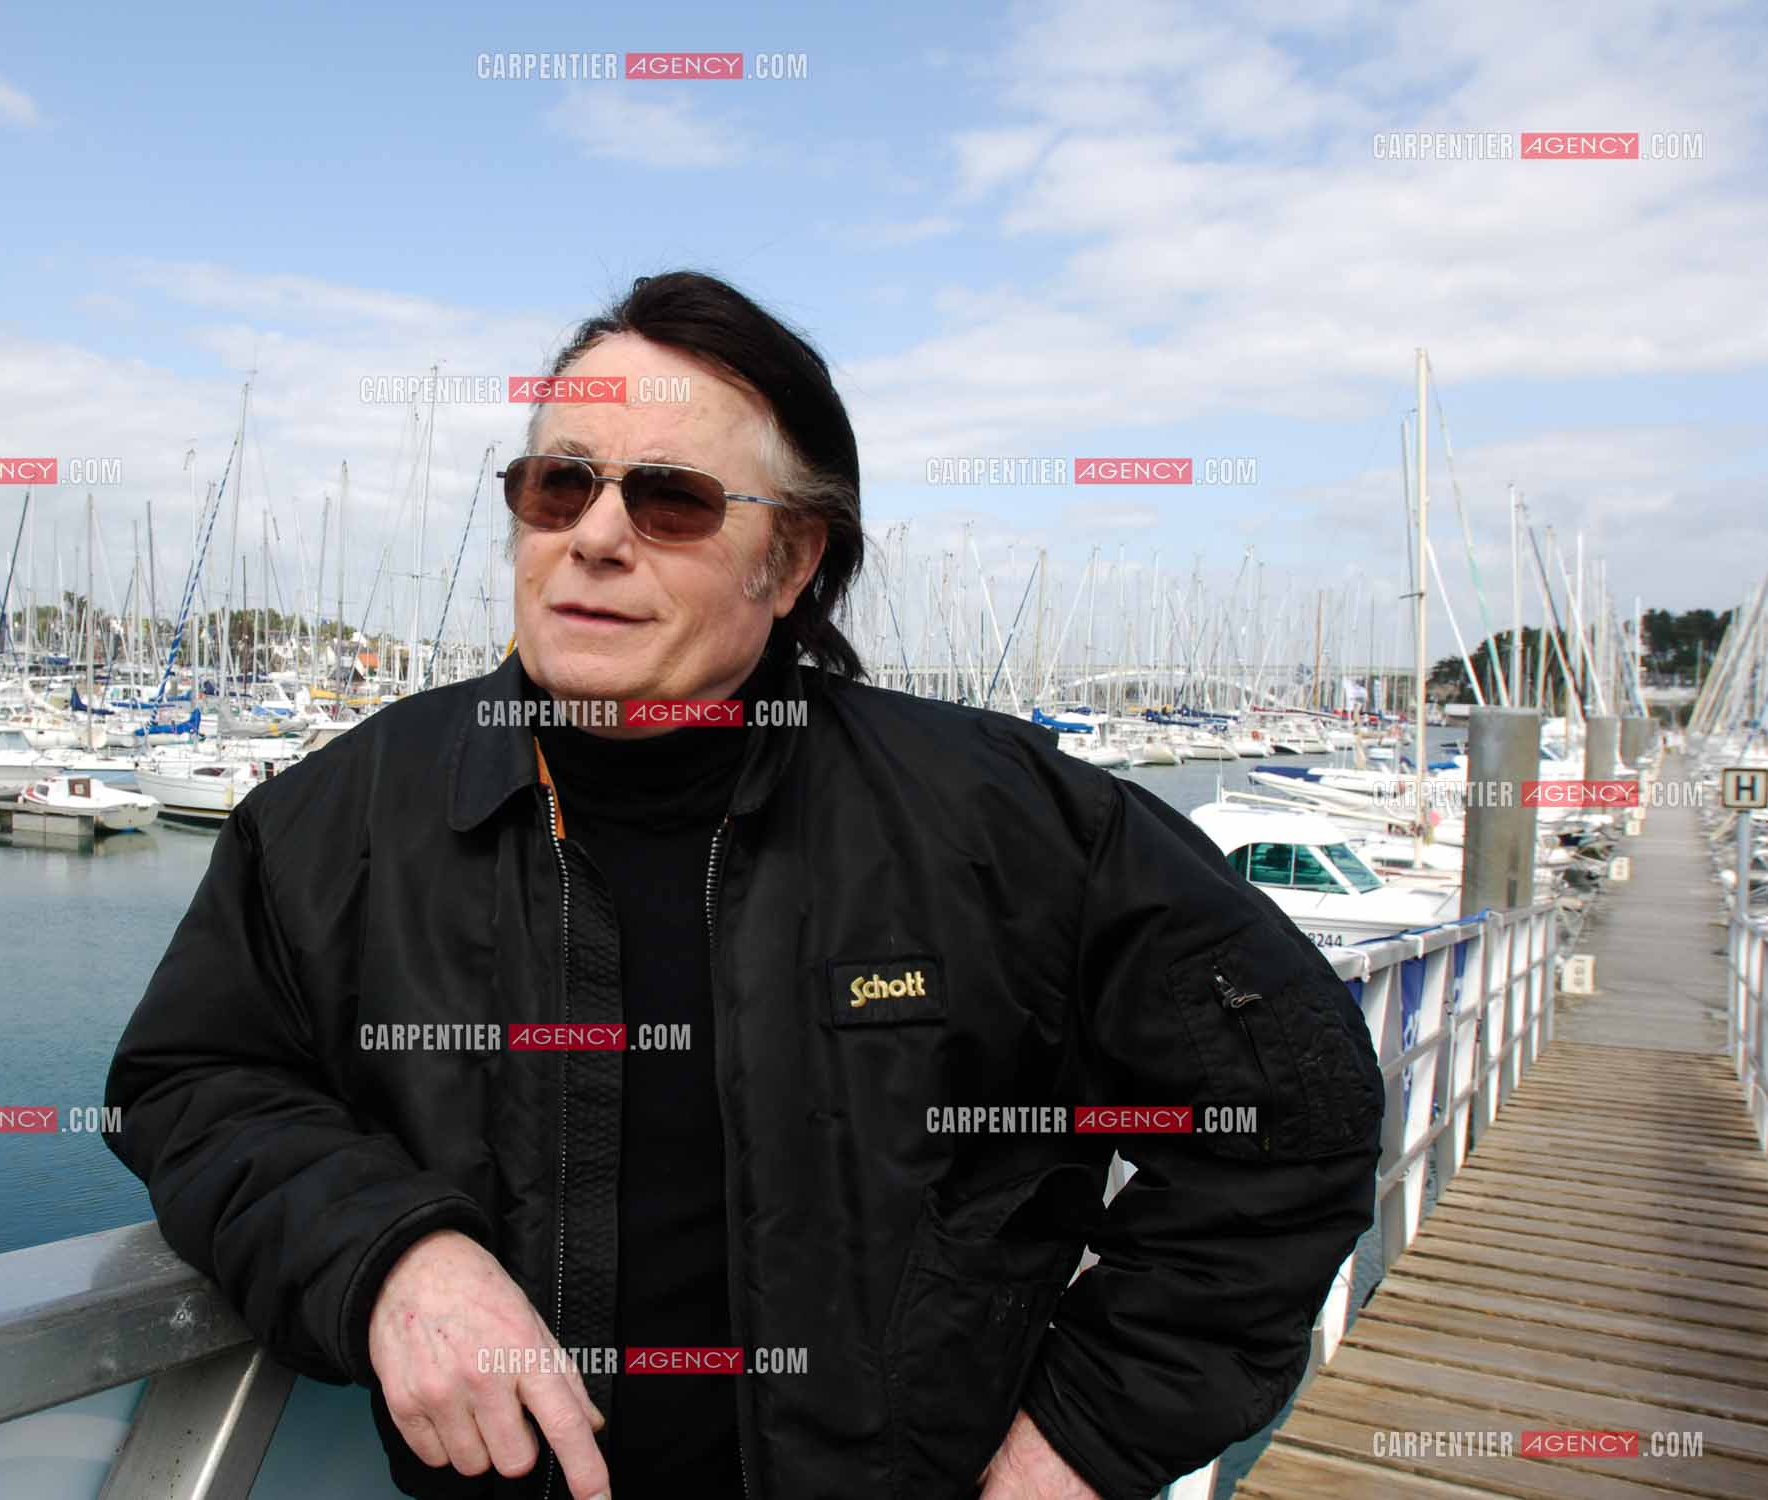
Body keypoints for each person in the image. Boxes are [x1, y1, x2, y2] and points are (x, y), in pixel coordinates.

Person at [103, 270, 1385, 1500]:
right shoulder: (343, 819)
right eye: (557, 486)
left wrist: (1086, 1444)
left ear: (790, 563)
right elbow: (195, 1083)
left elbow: (1290, 1108)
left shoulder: (997, 820)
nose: (593, 537)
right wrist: (389, 1252)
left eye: (669, 502)